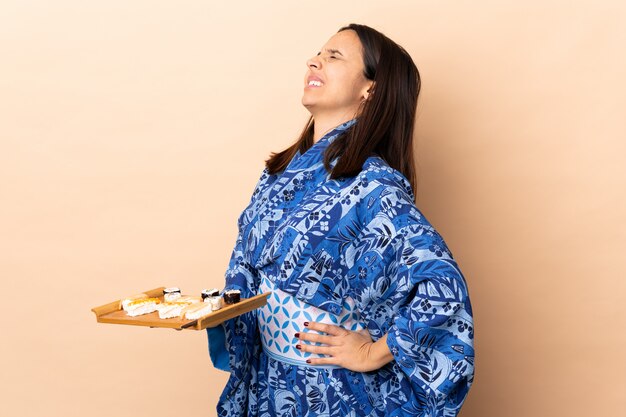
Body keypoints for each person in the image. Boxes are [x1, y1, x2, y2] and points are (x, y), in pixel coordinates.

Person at [206, 23, 475, 417]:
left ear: (371, 89)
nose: (314, 61)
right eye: (318, 53)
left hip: (328, 392)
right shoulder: (278, 175)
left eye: (334, 57)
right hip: (270, 383)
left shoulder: (370, 184)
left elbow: (441, 287)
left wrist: (370, 352)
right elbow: (250, 270)